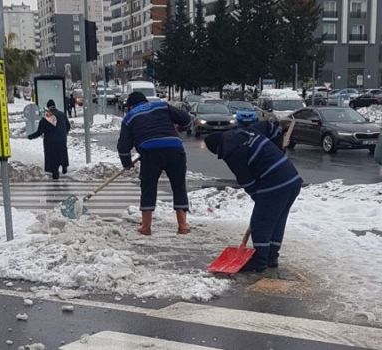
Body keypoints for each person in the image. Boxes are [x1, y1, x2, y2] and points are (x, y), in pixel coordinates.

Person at [204, 122, 303, 272]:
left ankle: (260, 261)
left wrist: (260, 200)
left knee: (260, 222)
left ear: (219, 147)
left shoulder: (232, 153)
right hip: (292, 180)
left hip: (274, 183)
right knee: (276, 221)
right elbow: (272, 127)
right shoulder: (247, 132)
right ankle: (271, 257)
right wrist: (276, 146)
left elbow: (247, 182)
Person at [117, 92, 192, 236]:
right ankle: (182, 225)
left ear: (131, 105)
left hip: (150, 153)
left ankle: (146, 227)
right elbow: (186, 120)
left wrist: (126, 162)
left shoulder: (129, 117)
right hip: (174, 149)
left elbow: (123, 146)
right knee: (179, 186)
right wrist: (180, 129)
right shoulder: (162, 105)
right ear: (145, 101)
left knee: (148, 187)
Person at [27, 99, 71, 180]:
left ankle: (55, 174)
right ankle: (64, 166)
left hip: (51, 142)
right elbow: (68, 126)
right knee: (62, 153)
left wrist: (30, 136)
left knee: (53, 158)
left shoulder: (46, 117)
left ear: (47, 107)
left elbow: (39, 132)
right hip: (62, 139)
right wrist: (64, 133)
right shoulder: (62, 114)